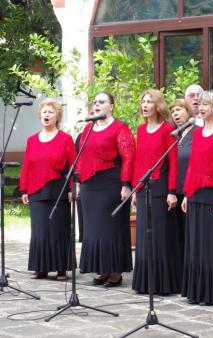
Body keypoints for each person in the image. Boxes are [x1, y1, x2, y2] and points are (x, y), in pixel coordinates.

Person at [181, 90, 213, 305]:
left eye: (206, 105)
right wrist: (186, 193)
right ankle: (197, 291)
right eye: (200, 104)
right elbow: (192, 165)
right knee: (195, 244)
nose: (201, 108)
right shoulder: (196, 132)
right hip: (194, 193)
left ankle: (212, 292)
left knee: (211, 243)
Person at [78, 92, 135, 287]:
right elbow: (81, 158)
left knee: (111, 229)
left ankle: (115, 273)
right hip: (89, 185)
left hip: (111, 185)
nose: (97, 105)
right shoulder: (87, 129)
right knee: (93, 229)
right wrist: (78, 182)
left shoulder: (120, 128)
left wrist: (126, 184)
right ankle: (102, 270)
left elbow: (129, 157)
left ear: (111, 106)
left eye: (102, 102)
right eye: (95, 102)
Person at [131, 89, 182, 295]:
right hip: (143, 189)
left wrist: (171, 191)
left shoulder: (168, 129)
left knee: (160, 236)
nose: (145, 105)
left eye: (149, 101)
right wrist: (135, 188)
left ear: (158, 105)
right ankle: (146, 281)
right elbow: (138, 161)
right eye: (143, 101)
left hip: (161, 189)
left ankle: (163, 283)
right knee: (144, 235)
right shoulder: (141, 130)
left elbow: (174, 163)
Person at [20, 98, 75, 281]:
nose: (47, 114)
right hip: (36, 190)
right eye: (44, 111)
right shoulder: (32, 140)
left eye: (51, 112)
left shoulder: (65, 139)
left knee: (58, 229)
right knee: (40, 230)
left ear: (57, 116)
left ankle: (61, 268)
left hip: (57, 190)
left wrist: (71, 188)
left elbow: (72, 166)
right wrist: (24, 189)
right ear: (40, 116)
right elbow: (27, 165)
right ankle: (40, 267)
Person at [170, 99, 196, 257]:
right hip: (174, 192)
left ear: (188, 111)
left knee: (190, 235)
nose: (175, 114)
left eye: (179, 110)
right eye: (173, 112)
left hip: (191, 191)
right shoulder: (175, 134)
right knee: (177, 236)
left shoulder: (197, 132)